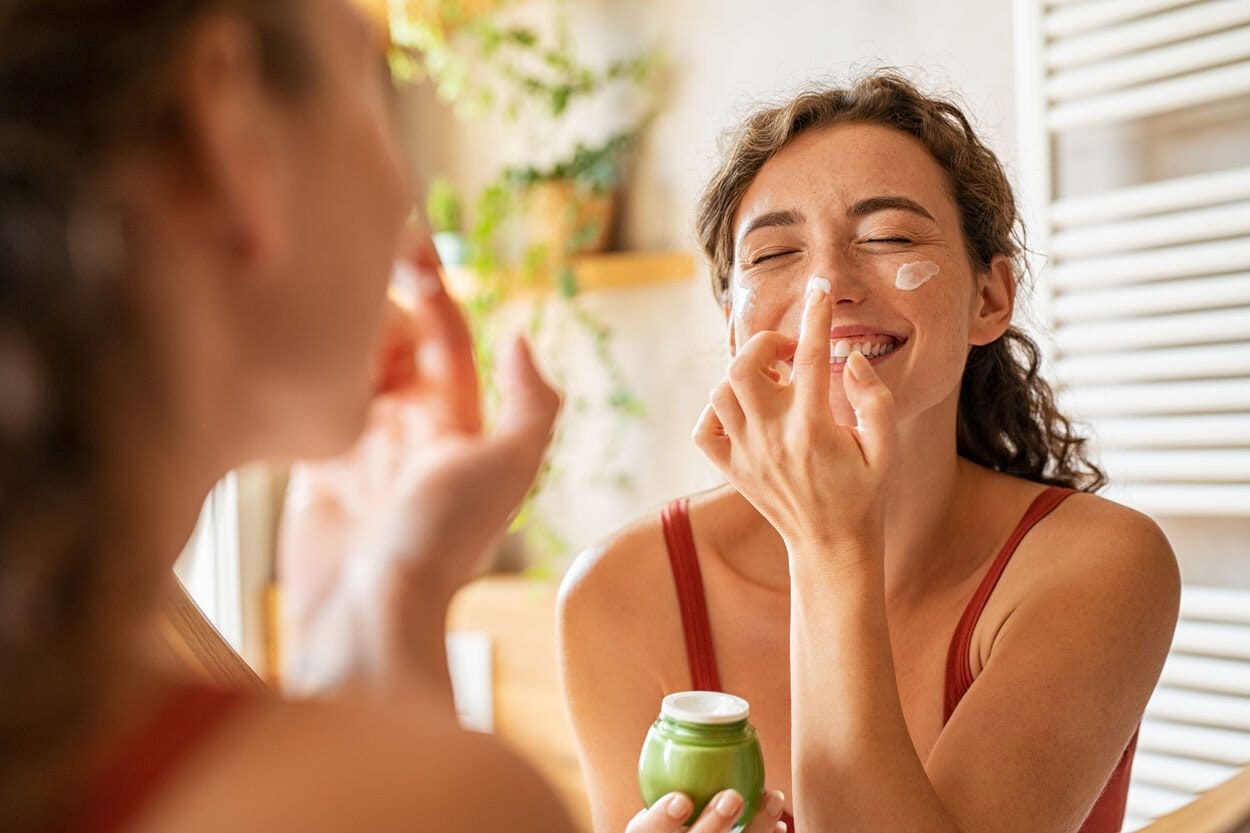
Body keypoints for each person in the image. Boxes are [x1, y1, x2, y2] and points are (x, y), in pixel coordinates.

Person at [0, 1, 576, 831]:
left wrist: (383, 601)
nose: (407, 196)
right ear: (229, 131)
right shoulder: (456, 804)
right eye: (367, 78)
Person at [558, 72, 1181, 833]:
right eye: (774, 253)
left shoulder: (1098, 565)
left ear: (990, 298)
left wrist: (829, 541)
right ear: (732, 325)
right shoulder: (622, 592)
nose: (826, 286)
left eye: (889, 238)